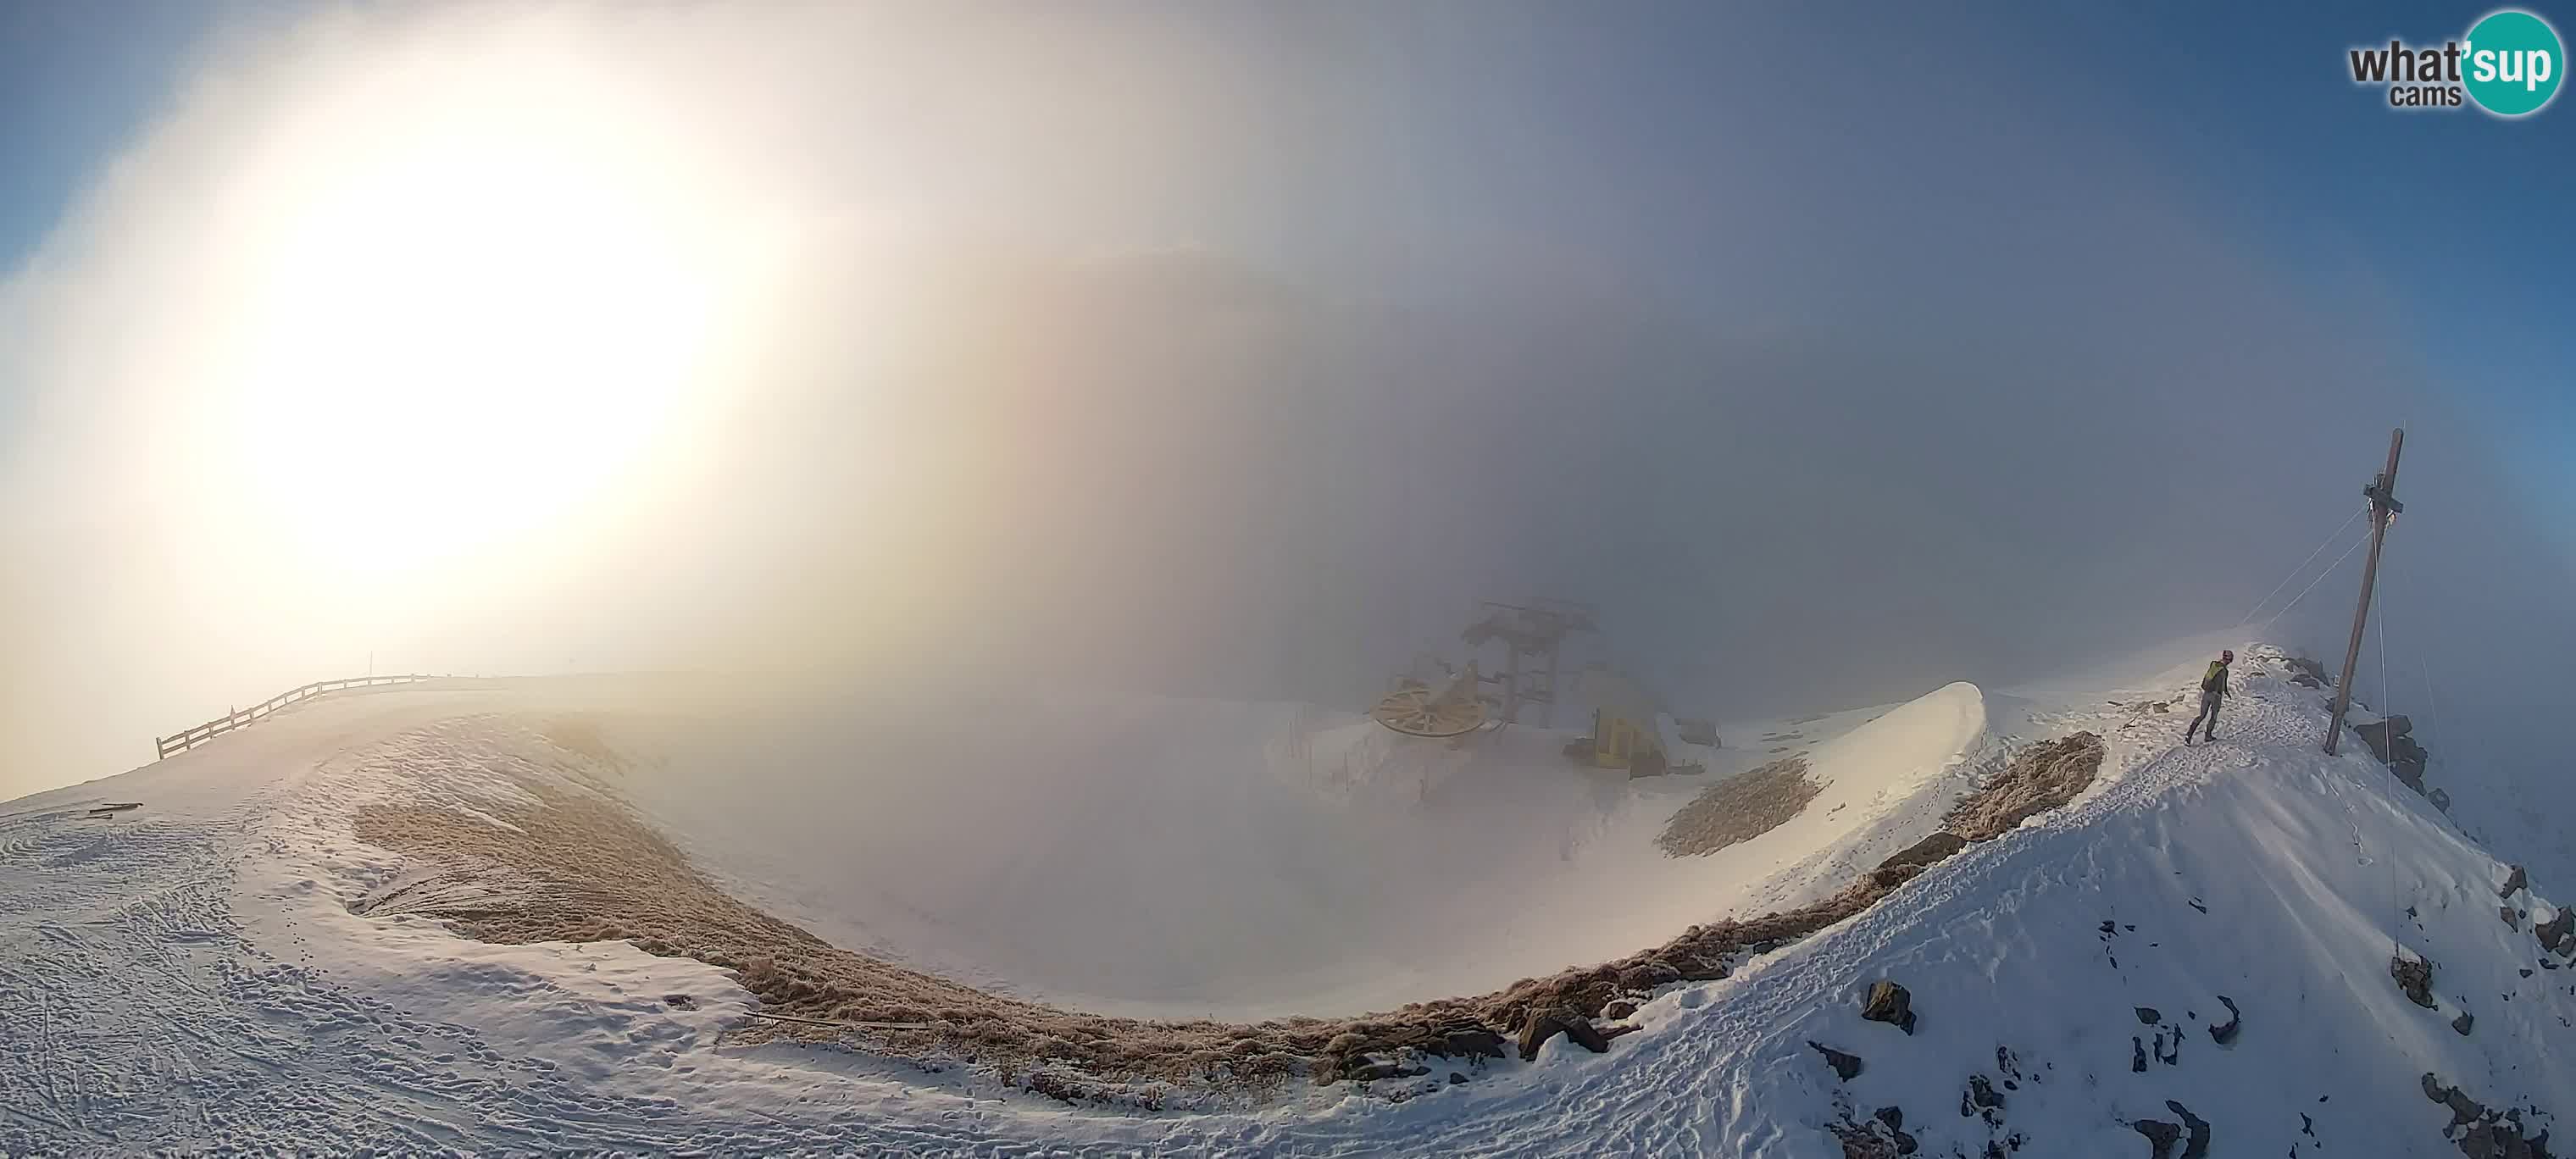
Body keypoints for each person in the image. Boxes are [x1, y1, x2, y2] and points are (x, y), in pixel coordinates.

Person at [2185, 649, 2233, 744]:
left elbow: (2213, 679)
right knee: (2213, 716)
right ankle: (2208, 736)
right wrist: (2224, 691)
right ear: (2228, 659)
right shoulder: (2223, 670)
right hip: (2216, 695)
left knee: (2202, 715)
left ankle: (2189, 735)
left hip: (2207, 693)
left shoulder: (2214, 666)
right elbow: (2222, 683)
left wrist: (2226, 691)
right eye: (2230, 660)